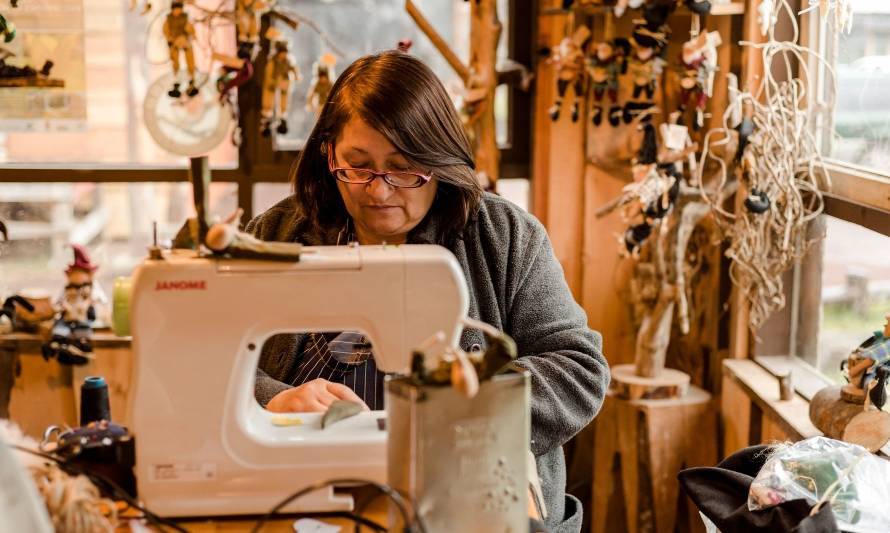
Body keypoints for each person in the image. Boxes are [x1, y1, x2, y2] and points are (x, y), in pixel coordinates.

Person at [246, 50, 609, 532]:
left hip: (468, 491)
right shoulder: (277, 234)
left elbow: (579, 369)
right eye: (359, 165)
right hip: (311, 492)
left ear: (439, 162)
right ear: (329, 152)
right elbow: (210, 361)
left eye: (404, 169)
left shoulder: (505, 237)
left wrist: (466, 409)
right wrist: (272, 399)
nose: (378, 191)